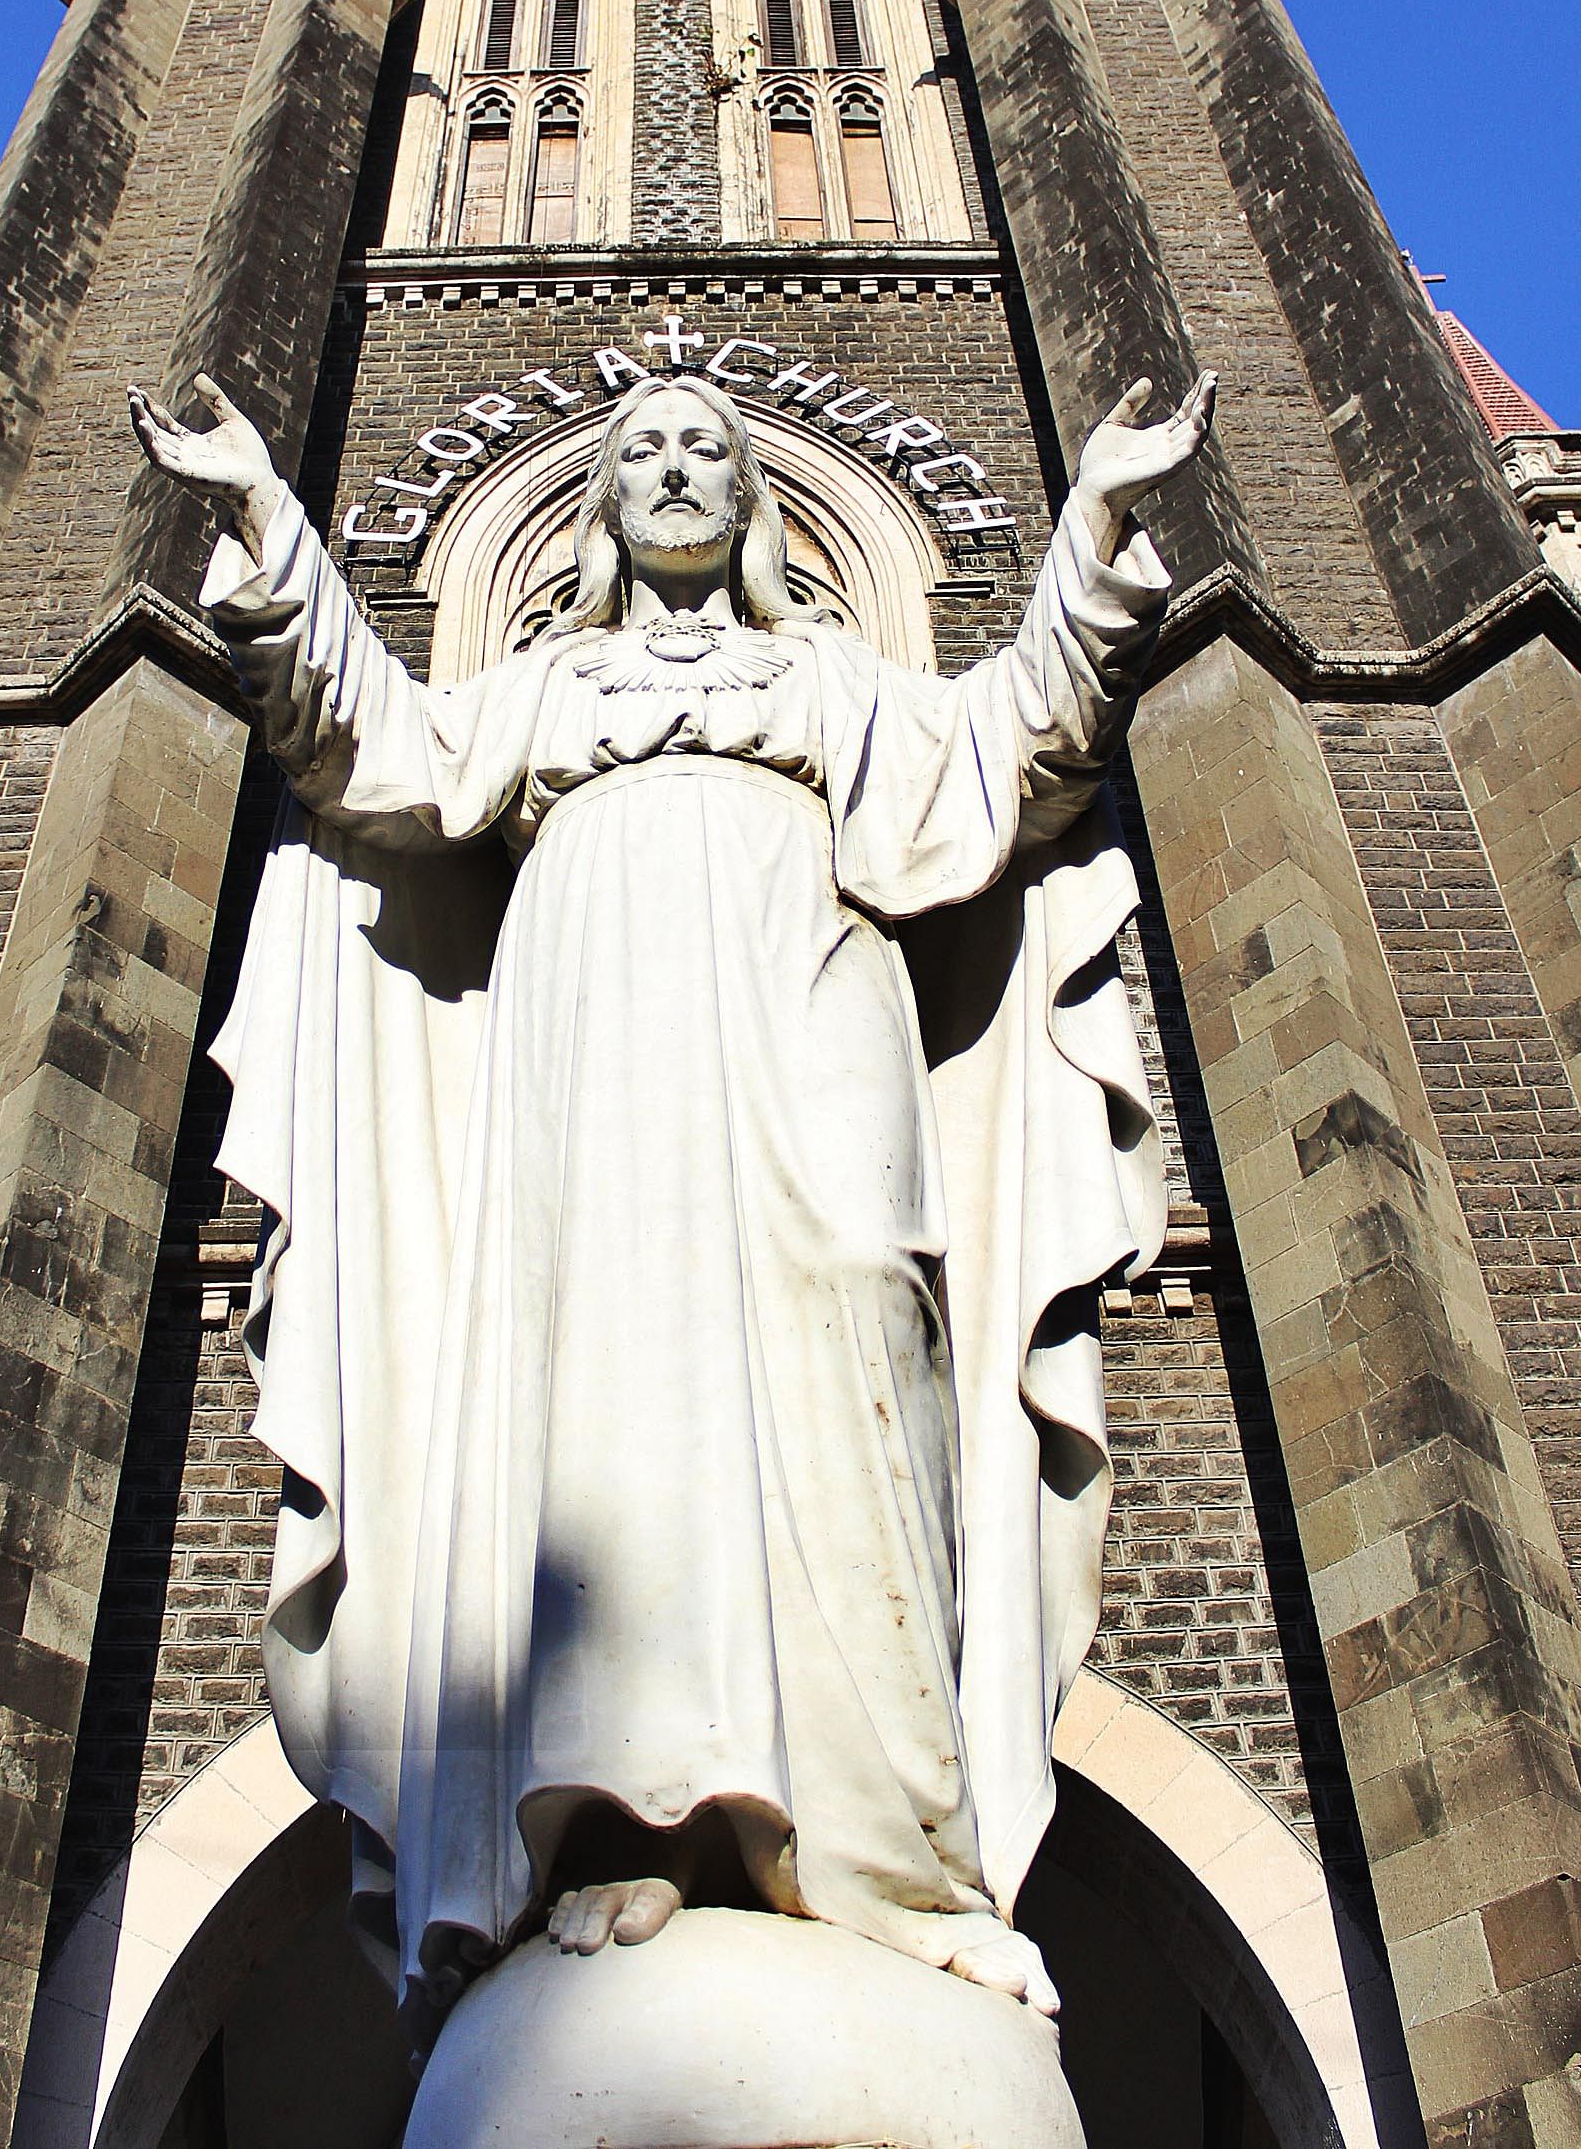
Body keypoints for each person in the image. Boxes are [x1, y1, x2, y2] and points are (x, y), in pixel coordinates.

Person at [128, 360, 1215, 2028]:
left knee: (866, 1339)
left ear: (753, 500)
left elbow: (1024, 735)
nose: (681, 470)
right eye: (645, 452)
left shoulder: (835, 682)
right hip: (596, 1047)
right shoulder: (548, 689)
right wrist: (265, 514)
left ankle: (897, 1857)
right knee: (614, 1407)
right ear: (604, 504)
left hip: (816, 1012)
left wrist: (1102, 521)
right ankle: (627, 1822)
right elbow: (371, 746)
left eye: (714, 448)